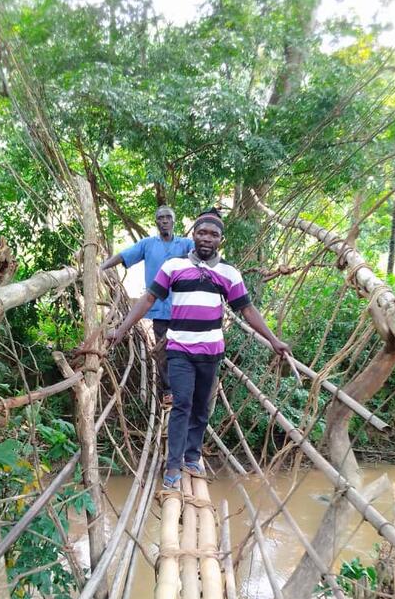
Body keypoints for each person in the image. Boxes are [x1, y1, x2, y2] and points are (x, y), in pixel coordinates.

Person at [108, 208, 290, 489]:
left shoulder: (229, 273)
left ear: (220, 239)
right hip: (179, 348)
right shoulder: (174, 266)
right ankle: (173, 464)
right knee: (181, 404)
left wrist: (273, 339)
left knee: (202, 407)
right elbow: (147, 300)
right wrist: (121, 330)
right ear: (193, 235)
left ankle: (192, 455)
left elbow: (247, 310)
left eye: (213, 234)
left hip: (211, 352)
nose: (207, 238)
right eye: (202, 232)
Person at [100, 206, 194, 405]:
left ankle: (185, 388)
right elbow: (124, 255)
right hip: (159, 308)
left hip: (183, 307)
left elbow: (204, 254)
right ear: (156, 222)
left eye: (169, 217)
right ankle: (168, 390)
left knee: (184, 348)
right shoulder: (147, 245)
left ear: (174, 221)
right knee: (162, 349)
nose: (165, 221)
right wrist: (101, 267)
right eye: (161, 218)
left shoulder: (185, 244)